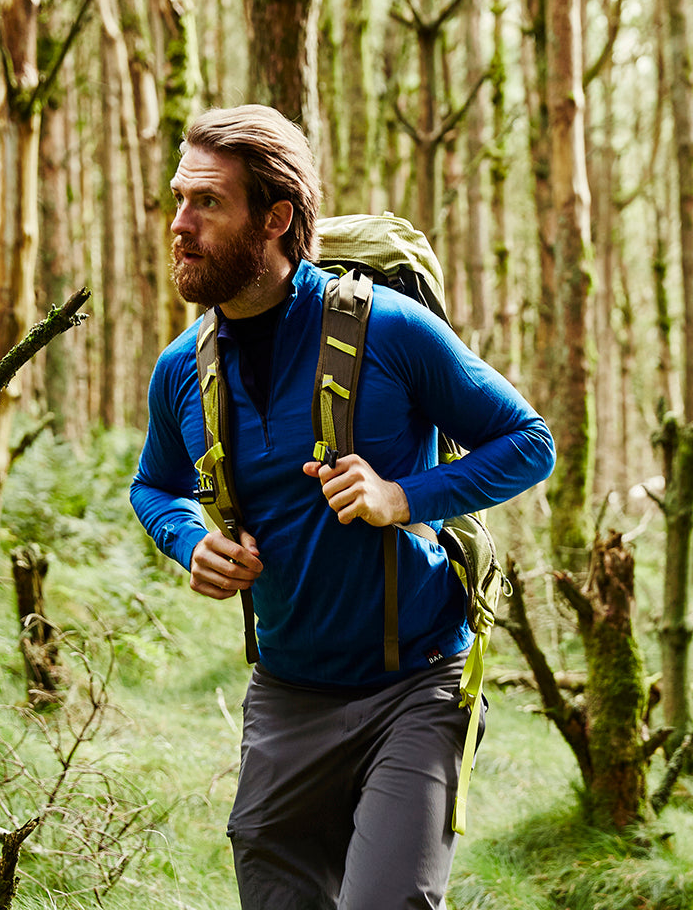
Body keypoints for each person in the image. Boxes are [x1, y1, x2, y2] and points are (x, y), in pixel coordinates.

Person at [129, 104, 555, 910]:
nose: (178, 225)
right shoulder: (181, 369)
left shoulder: (392, 331)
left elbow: (529, 441)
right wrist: (190, 542)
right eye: (177, 199)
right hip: (286, 692)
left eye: (207, 204)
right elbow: (155, 485)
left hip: (418, 686)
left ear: (276, 219)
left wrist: (404, 496)